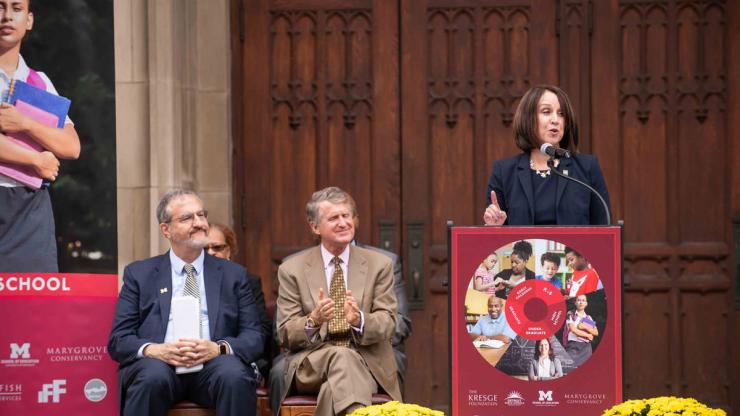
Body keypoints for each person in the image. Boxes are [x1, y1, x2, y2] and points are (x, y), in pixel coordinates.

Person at [108, 190, 264, 416]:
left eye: (201, 215)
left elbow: (254, 337)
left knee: (234, 375)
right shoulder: (139, 274)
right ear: (166, 229)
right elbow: (119, 340)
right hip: (160, 365)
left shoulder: (234, 275)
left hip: (213, 365)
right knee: (151, 377)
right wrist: (157, 350)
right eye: (187, 218)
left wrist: (218, 348)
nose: (199, 223)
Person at [275, 186, 402, 415]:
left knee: (335, 388)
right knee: (342, 357)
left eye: (347, 215)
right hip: (312, 363)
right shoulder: (291, 269)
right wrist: (313, 320)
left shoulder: (379, 265)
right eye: (334, 218)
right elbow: (284, 332)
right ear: (315, 227)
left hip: (366, 363)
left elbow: (389, 321)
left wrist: (359, 320)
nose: (343, 223)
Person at [0, 0, 81, 272]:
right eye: (0, 7)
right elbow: (46, 158)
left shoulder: (40, 82)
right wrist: (35, 160)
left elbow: (71, 146)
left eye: (16, 8)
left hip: (31, 210)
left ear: (29, 20)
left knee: (35, 304)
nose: (7, 16)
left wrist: (25, 123)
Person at [482, 85, 610, 226]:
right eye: (546, 111)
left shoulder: (587, 167)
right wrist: (494, 228)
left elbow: (604, 229)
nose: (556, 119)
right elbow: (497, 244)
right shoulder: (504, 171)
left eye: (561, 114)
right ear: (528, 118)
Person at [207, 222, 273, 380]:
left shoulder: (246, 281)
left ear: (228, 250)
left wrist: (224, 348)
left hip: (238, 357)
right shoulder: (188, 281)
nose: (210, 253)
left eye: (217, 247)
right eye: (204, 249)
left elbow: (261, 331)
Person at [563, 294, 598, 367]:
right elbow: (573, 330)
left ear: (586, 303)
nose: (581, 302)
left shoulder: (587, 318)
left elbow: (596, 332)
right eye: (579, 300)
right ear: (575, 302)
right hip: (573, 347)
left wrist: (585, 327)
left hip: (586, 348)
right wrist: (588, 335)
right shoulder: (570, 314)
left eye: (583, 300)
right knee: (570, 368)